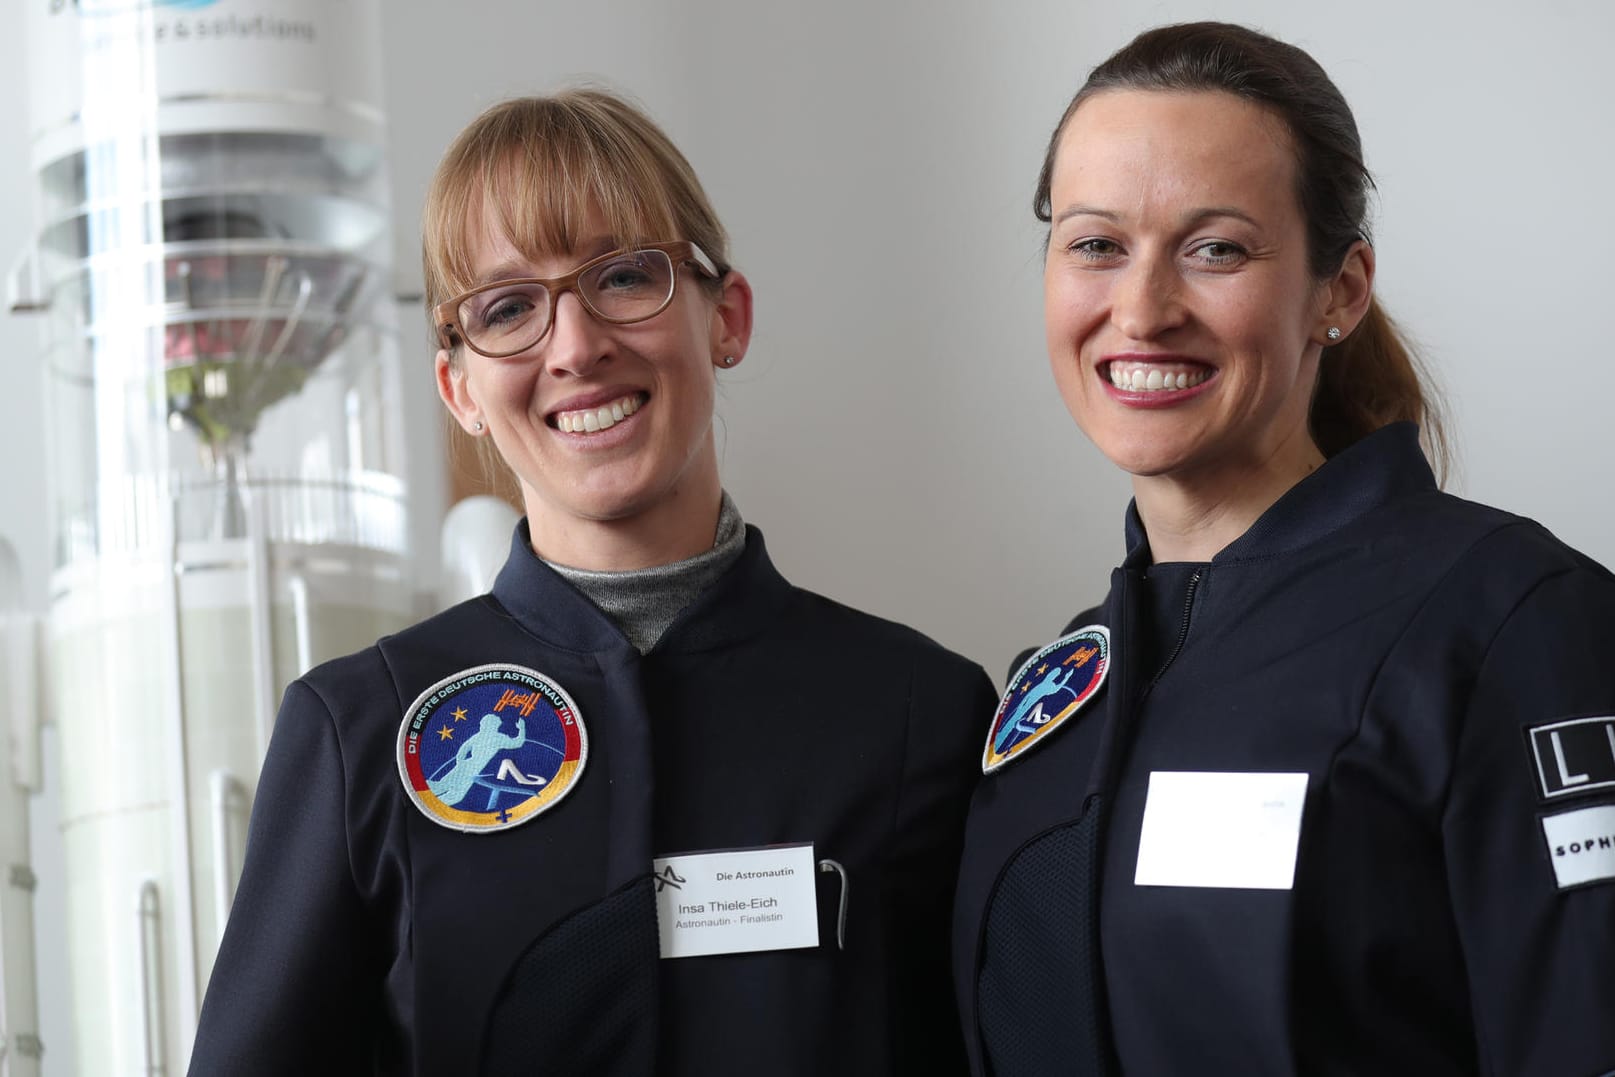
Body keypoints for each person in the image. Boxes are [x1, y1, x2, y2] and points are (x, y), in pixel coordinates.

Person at [190, 88, 996, 1076]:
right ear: (461, 390)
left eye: (623, 276)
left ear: (726, 318)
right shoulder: (357, 731)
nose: (574, 347)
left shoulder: (918, 711)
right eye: (508, 308)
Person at [952, 22, 1615, 1076]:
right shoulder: (1055, 694)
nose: (1142, 308)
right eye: (1095, 244)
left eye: (1215, 248)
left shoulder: (1509, 624)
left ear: (1339, 290)